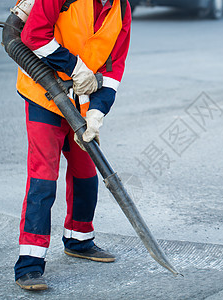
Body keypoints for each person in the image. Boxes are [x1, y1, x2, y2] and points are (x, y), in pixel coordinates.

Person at [12, 0, 131, 290]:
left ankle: (79, 239)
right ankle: (29, 265)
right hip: (43, 94)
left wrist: (97, 111)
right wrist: (75, 68)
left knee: (85, 172)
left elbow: (113, 70)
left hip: (82, 102)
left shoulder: (122, 10)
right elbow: (33, 35)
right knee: (43, 177)